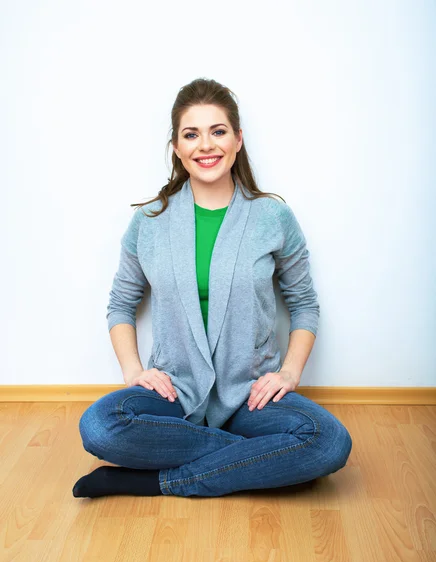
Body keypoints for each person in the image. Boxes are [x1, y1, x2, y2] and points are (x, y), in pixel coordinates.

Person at [72, 77, 352, 499]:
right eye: (192, 134)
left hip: (250, 394)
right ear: (177, 148)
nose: (206, 145)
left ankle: (158, 482)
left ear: (238, 140)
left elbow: (304, 303)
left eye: (218, 131)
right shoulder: (148, 223)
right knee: (99, 426)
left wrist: (289, 373)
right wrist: (134, 372)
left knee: (328, 441)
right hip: (174, 391)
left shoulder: (271, 218)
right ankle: (267, 461)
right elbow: (121, 304)